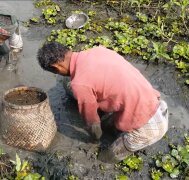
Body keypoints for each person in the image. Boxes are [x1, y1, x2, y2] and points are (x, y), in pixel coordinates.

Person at [37, 42, 169, 163]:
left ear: (56, 66)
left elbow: (92, 122)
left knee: (106, 158)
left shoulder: (80, 84)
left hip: (152, 127)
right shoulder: (99, 51)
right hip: (156, 103)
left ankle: (114, 152)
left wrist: (95, 139)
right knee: (108, 125)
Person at [0, 2, 23, 71]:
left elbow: (16, 49)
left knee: (16, 49)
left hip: (11, 22)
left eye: (4, 38)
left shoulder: (13, 27)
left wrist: (11, 65)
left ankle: (10, 64)